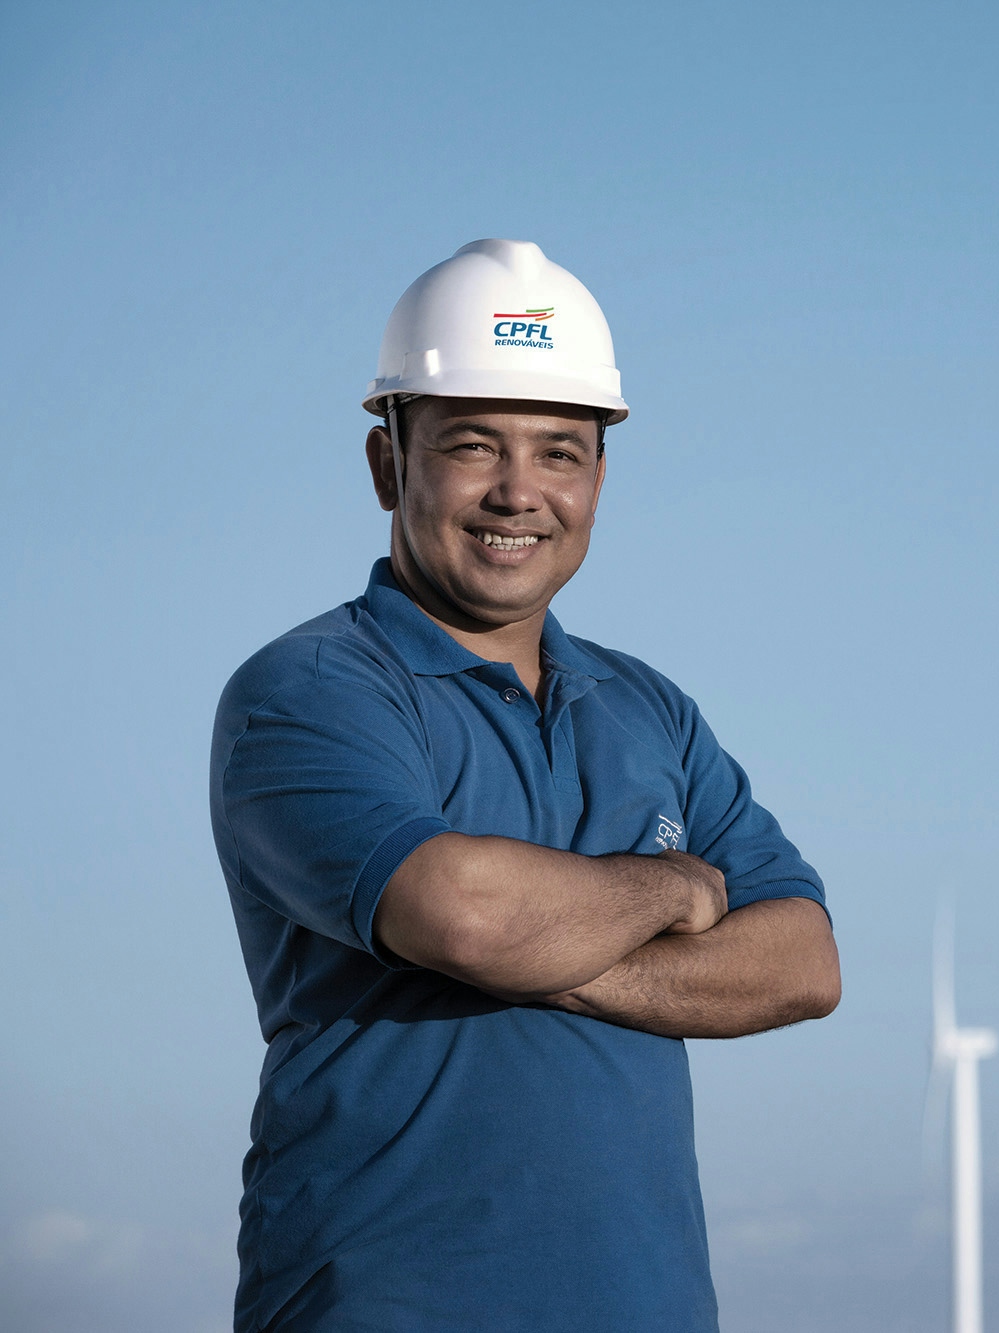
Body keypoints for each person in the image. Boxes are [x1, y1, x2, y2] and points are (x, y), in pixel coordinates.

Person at [209, 239, 839, 1331]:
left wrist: (546, 942)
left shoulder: (650, 709)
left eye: (561, 452)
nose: (520, 492)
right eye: (471, 445)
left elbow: (803, 962)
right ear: (385, 465)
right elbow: (460, 911)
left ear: (598, 477)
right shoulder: (305, 692)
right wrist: (671, 892)